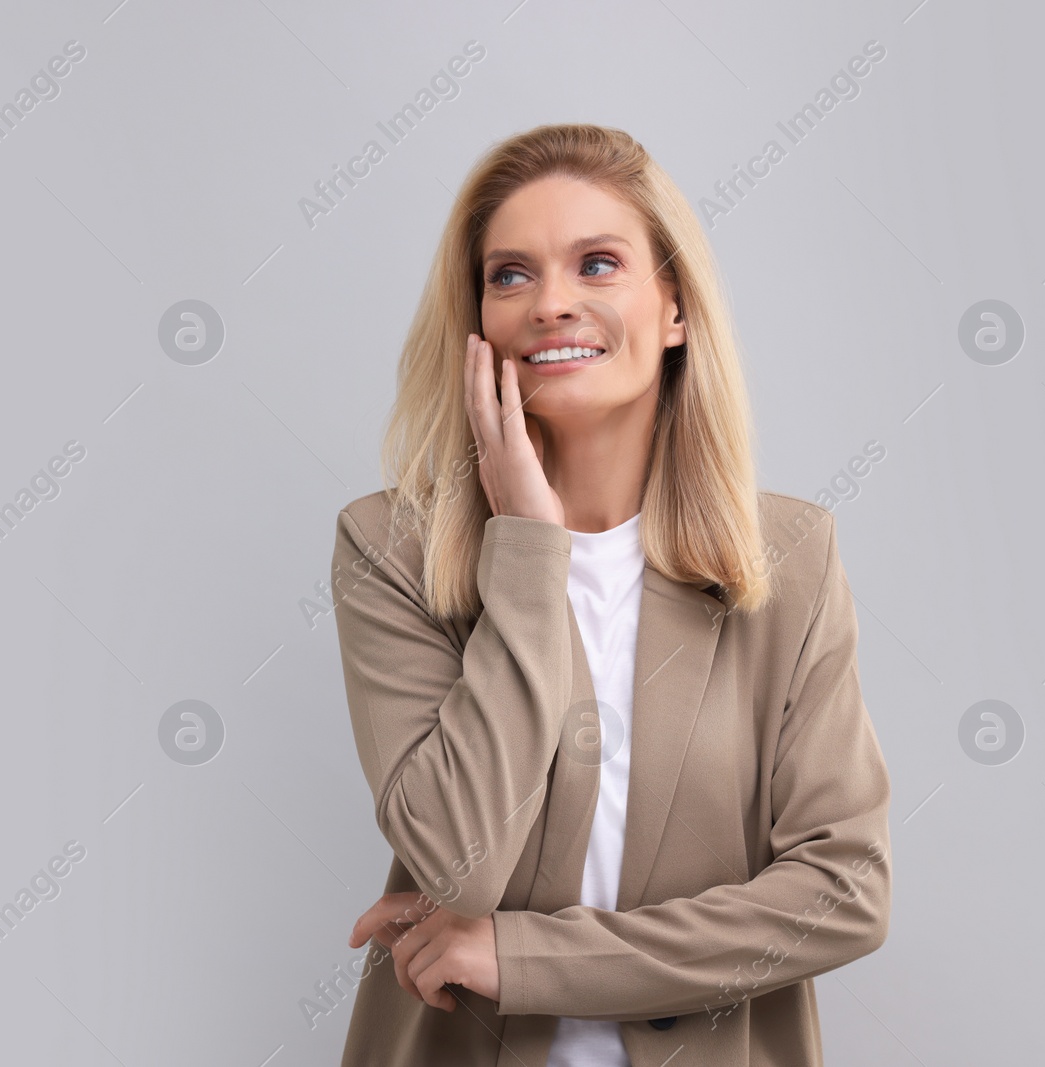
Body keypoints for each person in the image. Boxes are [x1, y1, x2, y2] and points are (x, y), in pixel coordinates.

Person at [329, 123, 891, 1066]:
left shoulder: (788, 556)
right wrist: (528, 553)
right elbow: (459, 860)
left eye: (597, 264)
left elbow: (843, 889)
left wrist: (523, 954)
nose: (553, 303)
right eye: (510, 275)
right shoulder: (390, 547)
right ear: (476, 325)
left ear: (674, 308)